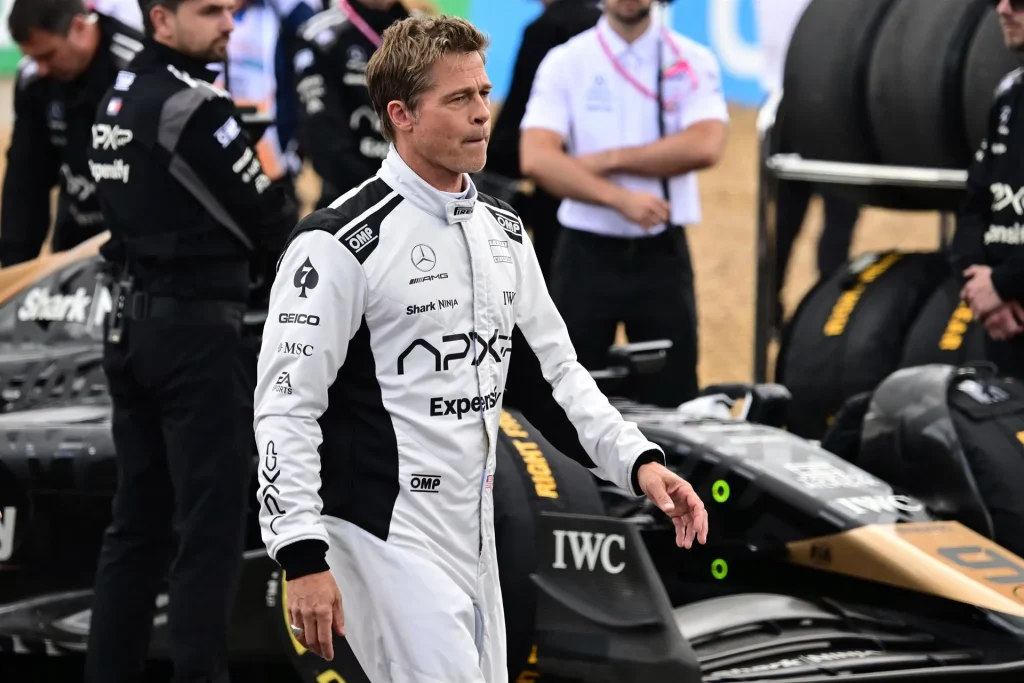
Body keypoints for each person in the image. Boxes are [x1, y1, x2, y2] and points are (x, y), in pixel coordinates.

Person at [253, 13, 708, 681]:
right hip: (381, 536)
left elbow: (556, 374)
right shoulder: (337, 242)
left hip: (478, 530)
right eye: (459, 99)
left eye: (484, 95)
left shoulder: (503, 229)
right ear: (402, 114)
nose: (482, 115)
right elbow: (285, 406)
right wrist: (301, 553)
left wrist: (637, 461)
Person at [82, 0, 296, 680]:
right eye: (210, 12)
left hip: (132, 329)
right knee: (208, 533)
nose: (229, 25)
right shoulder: (193, 106)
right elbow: (268, 217)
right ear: (162, 20)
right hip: (196, 341)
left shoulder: (116, 96)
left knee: (134, 530)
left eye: (230, 10)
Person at [519, 0, 728, 408]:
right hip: (585, 253)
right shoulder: (567, 60)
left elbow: (707, 144)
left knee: (674, 398)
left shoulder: (691, 59)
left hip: (661, 256)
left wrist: (607, 160)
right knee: (566, 396)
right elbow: (538, 158)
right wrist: (619, 199)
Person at [1, 0, 145, 267]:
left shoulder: (138, 67)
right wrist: (13, 268)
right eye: (33, 58)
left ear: (79, 27)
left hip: (138, 250)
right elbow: (25, 181)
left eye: (47, 56)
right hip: (73, 245)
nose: (41, 67)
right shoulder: (34, 77)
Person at [486, 0, 602, 280]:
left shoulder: (544, 28)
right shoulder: (604, 25)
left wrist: (493, 171)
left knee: (556, 275)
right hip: (606, 170)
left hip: (557, 176)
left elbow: (520, 108)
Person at [953, 0, 1024, 381]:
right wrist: (980, 289)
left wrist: (1001, 283)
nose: (1003, 9)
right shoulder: (1009, 96)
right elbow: (973, 204)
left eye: (1019, 2)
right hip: (1003, 323)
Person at [292, 0, 411, 209]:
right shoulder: (320, 35)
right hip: (351, 201)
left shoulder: (429, 34)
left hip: (422, 197)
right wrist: (387, 195)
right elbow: (323, 140)